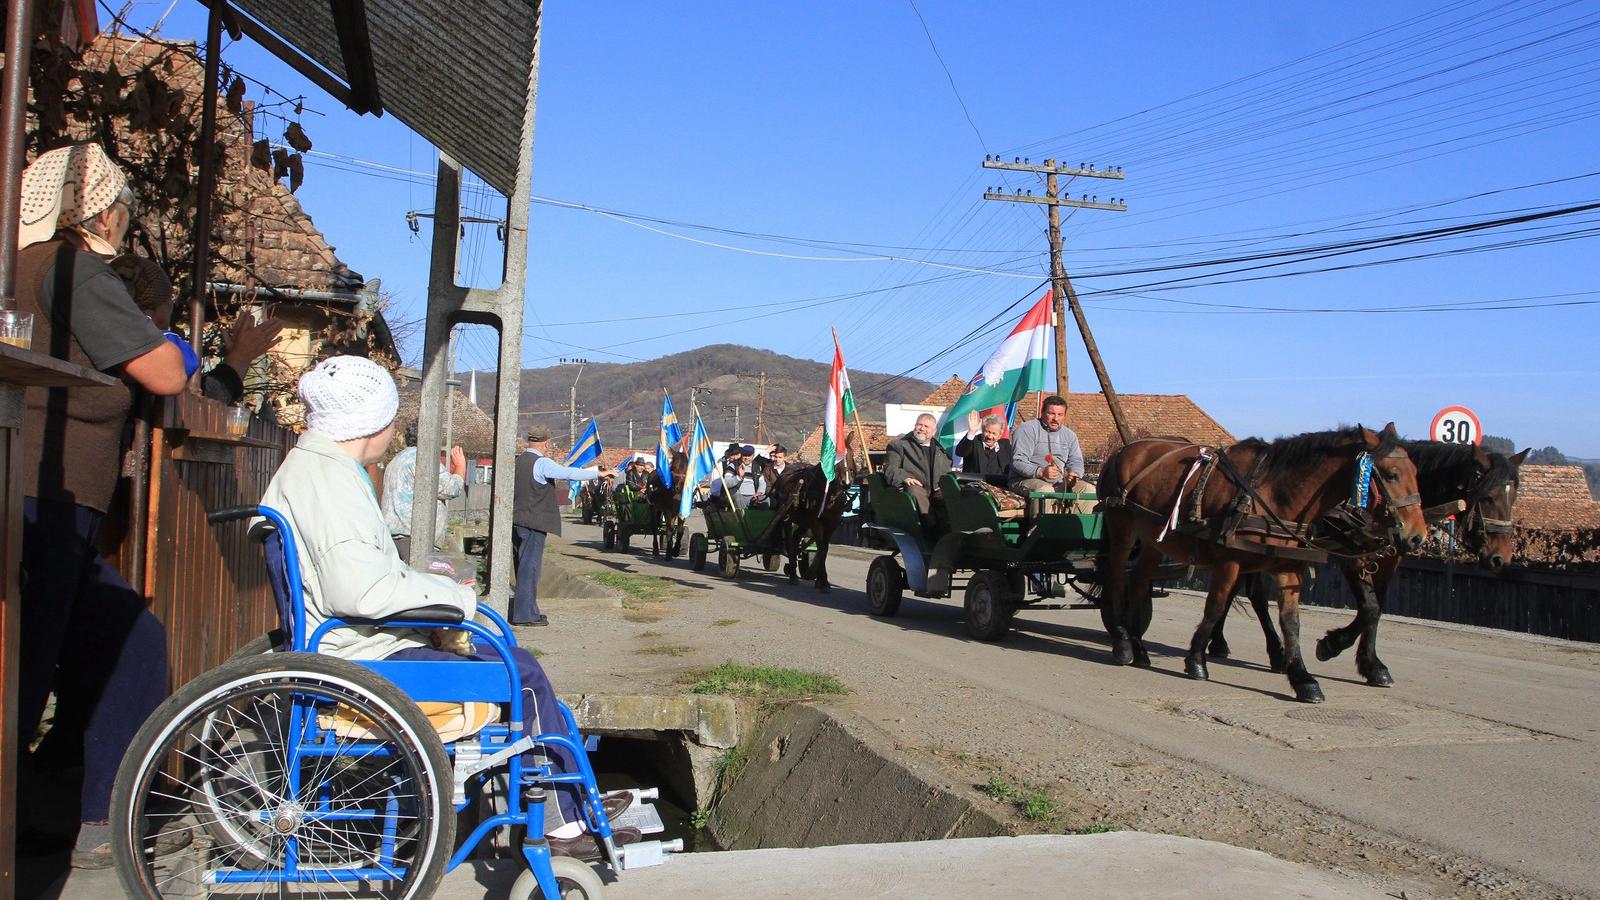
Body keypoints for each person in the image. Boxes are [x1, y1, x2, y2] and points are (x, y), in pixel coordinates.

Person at [258, 357, 637, 858]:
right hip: (362, 657)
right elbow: (359, 592)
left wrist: (424, 585)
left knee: (503, 656)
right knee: (519, 669)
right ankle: (566, 823)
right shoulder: (329, 480)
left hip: (351, 645)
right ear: (371, 423)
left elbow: (361, 575)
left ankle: (569, 796)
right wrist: (455, 598)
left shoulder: (316, 468)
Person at [12, 144, 191, 868]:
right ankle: (55, 819)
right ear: (102, 210)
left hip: (49, 492)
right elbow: (165, 371)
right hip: (42, 494)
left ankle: (79, 813)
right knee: (25, 666)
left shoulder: (29, 266)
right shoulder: (73, 269)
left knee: (124, 643)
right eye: (123, 208)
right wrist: (171, 329)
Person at [111, 253, 285, 405]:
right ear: (153, 309)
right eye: (168, 299)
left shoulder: (109, 333)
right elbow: (190, 384)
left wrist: (239, 358)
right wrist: (240, 357)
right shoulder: (156, 340)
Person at [512, 425, 614, 626]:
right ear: (547, 443)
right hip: (534, 521)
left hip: (518, 519)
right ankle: (525, 615)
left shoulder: (520, 460)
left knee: (522, 566)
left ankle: (528, 610)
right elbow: (568, 473)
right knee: (530, 568)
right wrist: (598, 474)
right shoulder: (540, 463)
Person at [381, 420, 468, 560]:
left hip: (395, 537)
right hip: (414, 539)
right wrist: (460, 466)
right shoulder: (422, 459)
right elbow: (451, 488)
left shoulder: (398, 458)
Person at [1008, 395, 1096, 512]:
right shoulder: (1027, 429)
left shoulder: (1070, 435)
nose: (1056, 418)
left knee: (1088, 489)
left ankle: (1077, 528)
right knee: (1045, 490)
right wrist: (1040, 471)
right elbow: (1018, 461)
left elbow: (1076, 461)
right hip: (1024, 480)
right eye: (1051, 413)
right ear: (1042, 412)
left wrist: (1074, 475)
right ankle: (1041, 528)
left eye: (1060, 415)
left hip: (1059, 482)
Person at [883, 413, 951, 526]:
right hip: (913, 488)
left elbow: (946, 472)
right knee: (915, 490)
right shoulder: (900, 445)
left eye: (926, 426)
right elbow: (890, 468)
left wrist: (944, 485)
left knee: (951, 495)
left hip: (935, 491)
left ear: (934, 432)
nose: (921, 429)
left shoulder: (941, 451)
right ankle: (931, 528)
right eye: (919, 425)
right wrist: (904, 478)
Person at [955, 412, 1013, 487]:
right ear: (982, 430)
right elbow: (960, 452)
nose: (989, 436)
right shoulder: (973, 442)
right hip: (975, 490)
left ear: (1000, 435)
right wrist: (971, 432)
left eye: (994, 433)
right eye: (987, 432)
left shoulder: (1006, 447)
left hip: (1000, 490)